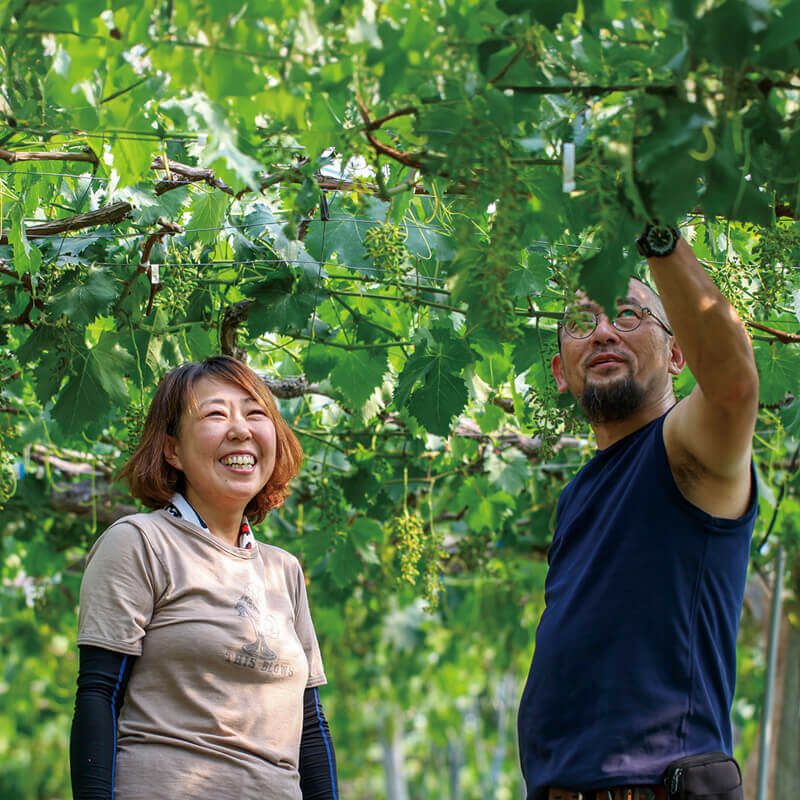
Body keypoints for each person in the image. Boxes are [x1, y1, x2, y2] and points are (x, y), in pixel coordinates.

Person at [517, 226, 759, 800]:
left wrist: (658, 236)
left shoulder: (683, 449)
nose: (602, 332)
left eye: (628, 315)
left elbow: (732, 387)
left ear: (677, 354)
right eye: (581, 323)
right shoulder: (578, 493)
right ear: (559, 372)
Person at [70, 356, 339, 800]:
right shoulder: (140, 542)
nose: (241, 430)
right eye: (216, 414)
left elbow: (310, 725)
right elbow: (98, 695)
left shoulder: (283, 570)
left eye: (256, 414)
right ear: (172, 449)